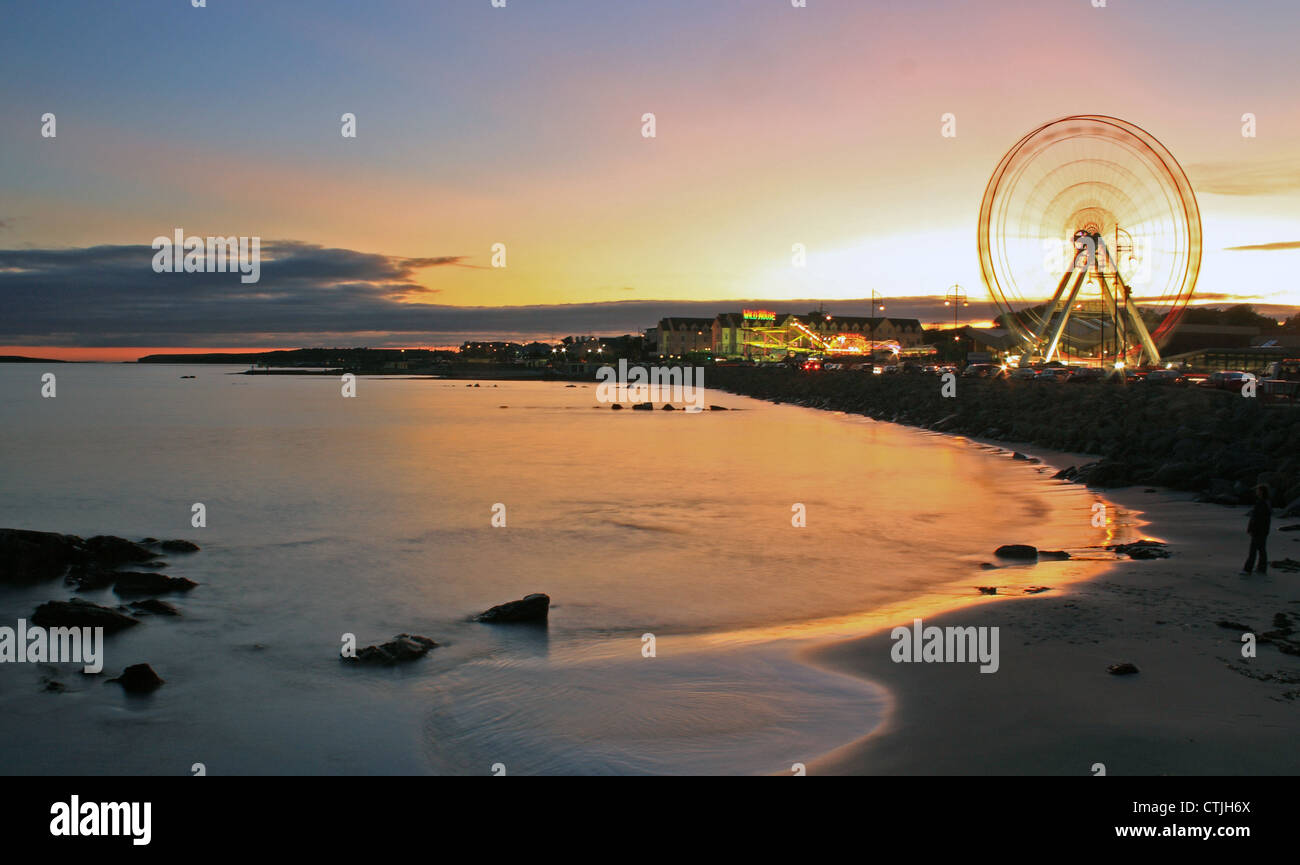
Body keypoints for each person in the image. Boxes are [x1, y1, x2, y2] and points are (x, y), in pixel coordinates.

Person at [1242, 484, 1272, 576]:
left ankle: (1248, 569)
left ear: (1261, 492)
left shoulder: (1262, 503)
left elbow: (1258, 519)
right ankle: (1261, 568)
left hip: (1259, 530)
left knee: (1253, 550)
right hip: (1263, 530)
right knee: (1261, 549)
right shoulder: (1266, 502)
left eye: (1258, 490)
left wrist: (1252, 529)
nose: (1256, 492)